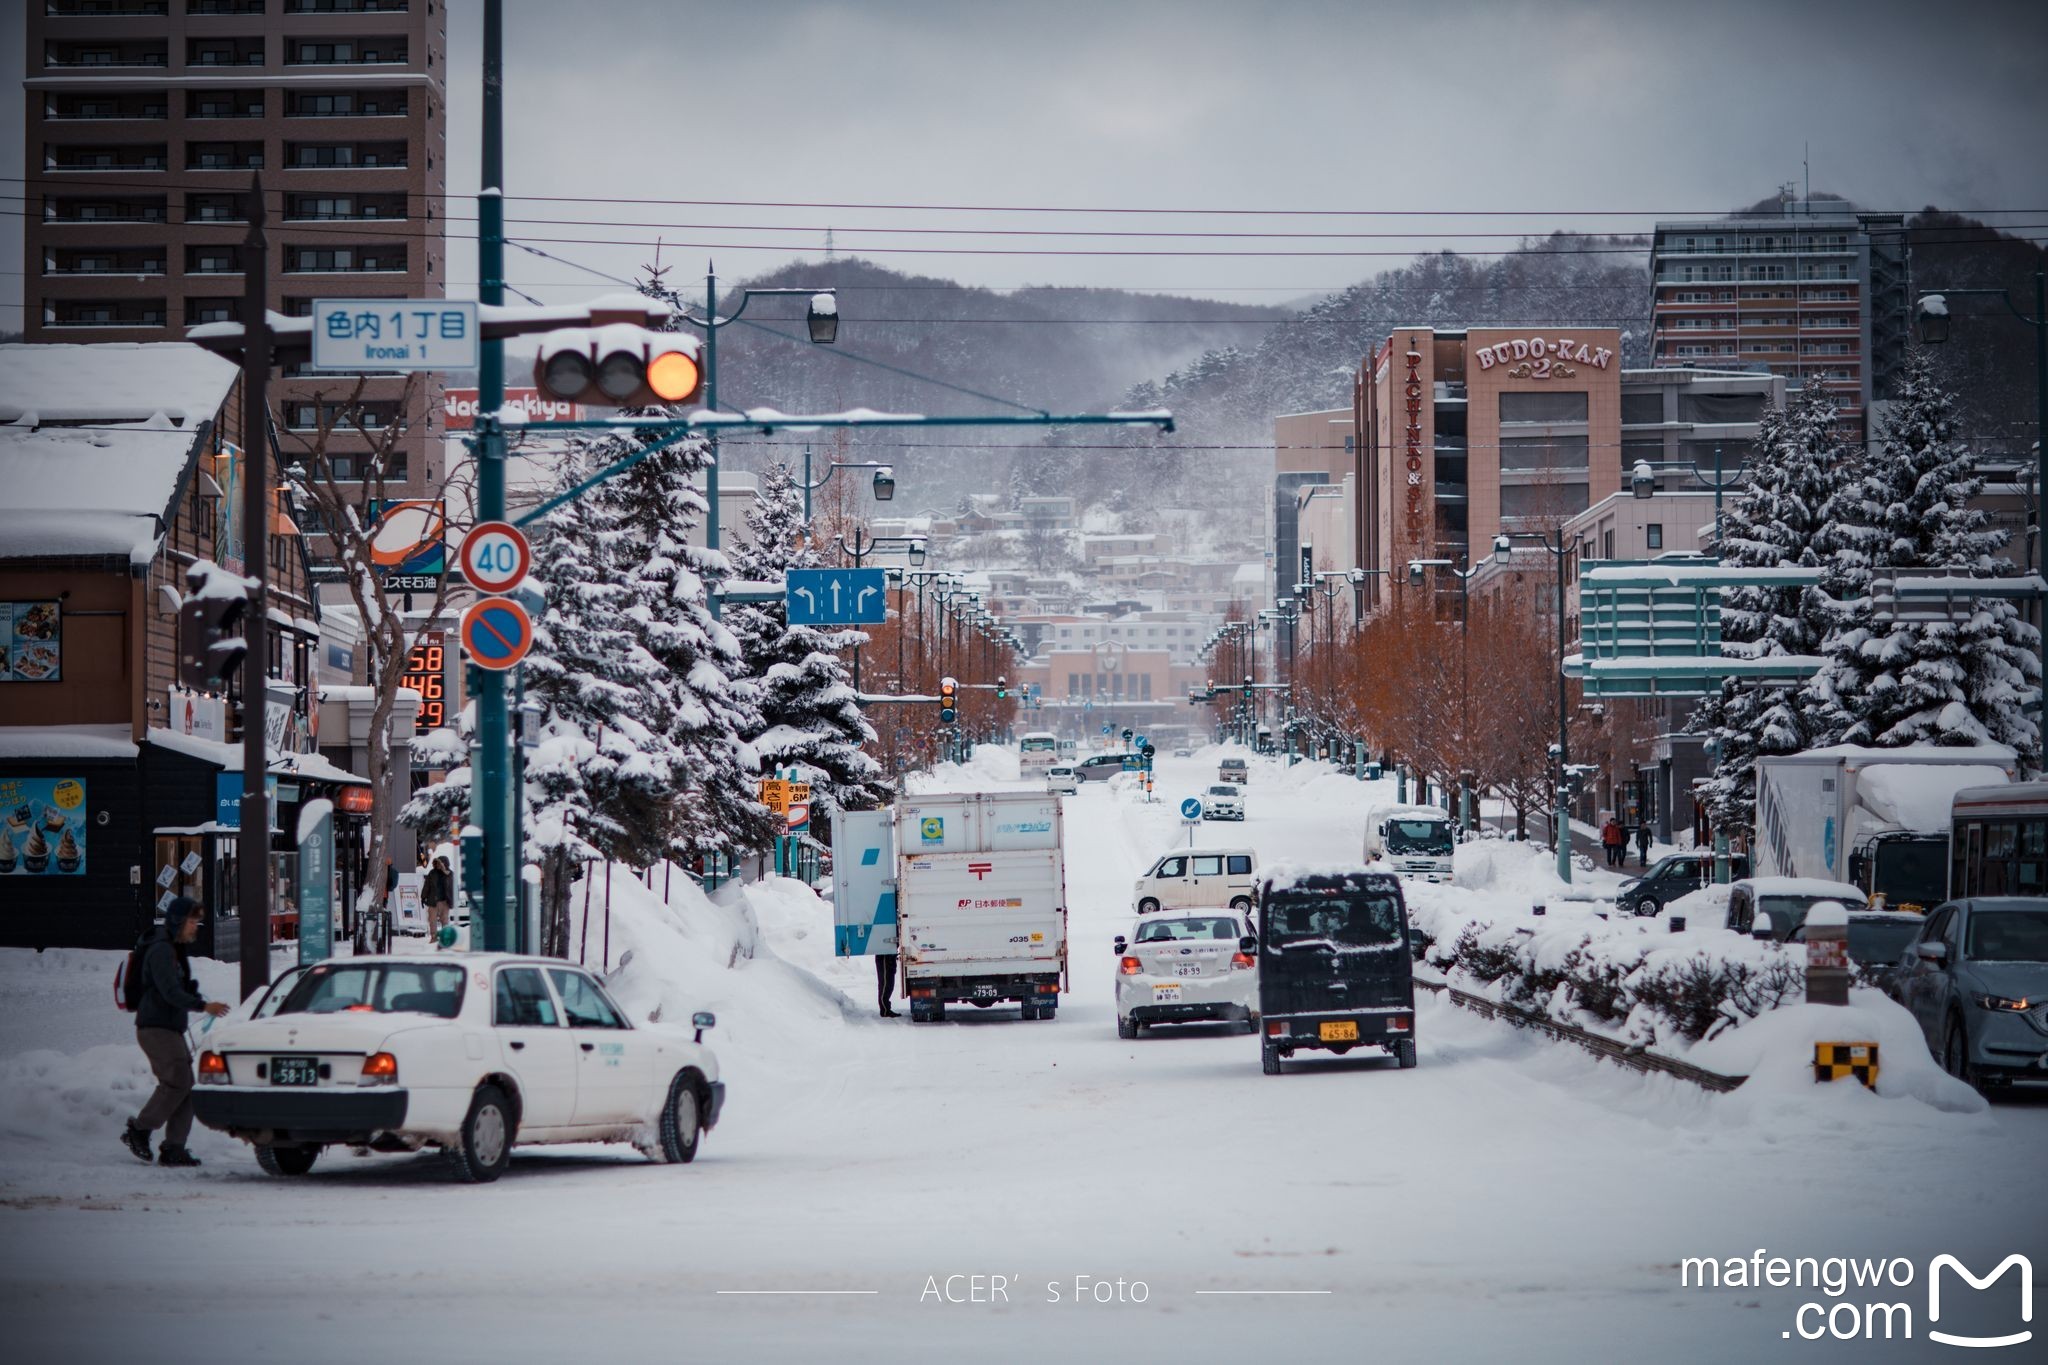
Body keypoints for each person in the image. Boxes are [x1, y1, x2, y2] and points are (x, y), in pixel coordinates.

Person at [122, 896, 230, 1168]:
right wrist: (203, 1005)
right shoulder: (161, 949)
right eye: (192, 921)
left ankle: (174, 1148)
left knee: (186, 1087)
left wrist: (193, 993)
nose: (196, 926)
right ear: (178, 921)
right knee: (177, 1083)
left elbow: (177, 987)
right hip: (156, 1027)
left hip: (169, 1027)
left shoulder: (173, 947)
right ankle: (139, 1130)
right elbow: (169, 992)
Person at [423, 854, 453, 945]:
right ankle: (434, 937)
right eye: (437, 863)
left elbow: (453, 887)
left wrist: (453, 900)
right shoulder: (432, 873)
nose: (438, 865)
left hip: (445, 901)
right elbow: (426, 886)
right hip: (433, 901)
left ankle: (445, 938)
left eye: (440, 863)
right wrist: (423, 897)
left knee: (445, 920)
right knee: (432, 920)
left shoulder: (450, 874)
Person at [874, 950, 899, 1018]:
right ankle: (885, 1010)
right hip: (884, 955)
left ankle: (886, 1009)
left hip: (889, 955)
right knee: (885, 984)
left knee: (889, 985)